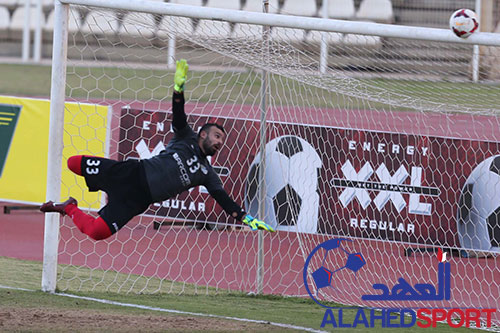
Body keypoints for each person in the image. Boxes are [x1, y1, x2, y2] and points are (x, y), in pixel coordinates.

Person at [40, 59, 275, 240]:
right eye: (216, 136)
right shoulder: (186, 137)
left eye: (222, 140)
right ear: (203, 134)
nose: (219, 142)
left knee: (96, 232)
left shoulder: (207, 173)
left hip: (138, 199)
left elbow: (224, 200)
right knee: (73, 163)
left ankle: (68, 207)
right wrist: (178, 88)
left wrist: (246, 219)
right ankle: (102, 177)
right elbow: (179, 113)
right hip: (131, 172)